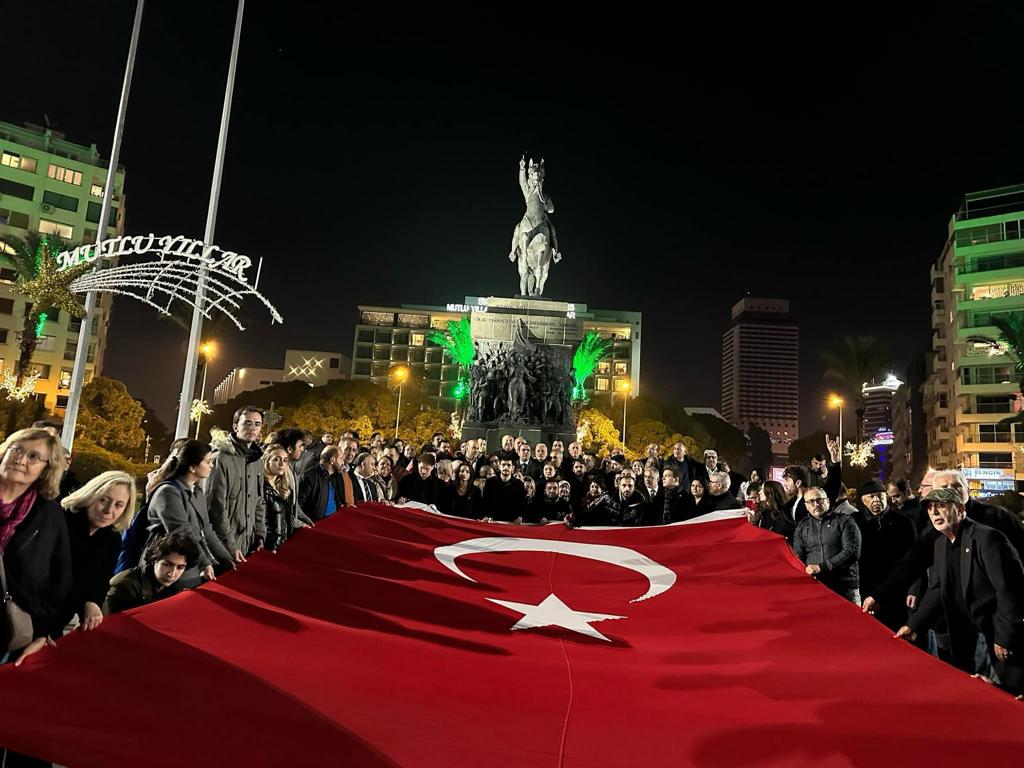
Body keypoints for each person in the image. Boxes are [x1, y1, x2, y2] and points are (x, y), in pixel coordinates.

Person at [897, 487, 1024, 696]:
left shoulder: (989, 539)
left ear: (961, 509)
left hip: (996, 638)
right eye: (930, 508)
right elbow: (937, 590)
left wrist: (1005, 638)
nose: (934, 512)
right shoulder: (940, 544)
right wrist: (913, 625)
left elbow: (1011, 592)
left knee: (1006, 698)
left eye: (941, 506)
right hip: (966, 637)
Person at [0, 428, 70, 666]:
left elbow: (59, 579)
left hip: (5, 626)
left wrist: (42, 630)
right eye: (16, 449)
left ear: (46, 470)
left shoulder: (49, 515)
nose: (20, 459)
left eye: (33, 457)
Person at [57, 471, 136, 634]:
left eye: (118, 505)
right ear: (90, 495)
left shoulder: (112, 538)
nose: (109, 510)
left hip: (60, 618)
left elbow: (101, 580)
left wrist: (92, 601)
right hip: (26, 613)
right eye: (103, 500)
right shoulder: (59, 521)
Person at [148, 440, 235, 588]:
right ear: (193, 467)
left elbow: (207, 529)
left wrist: (228, 558)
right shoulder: (168, 492)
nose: (211, 466)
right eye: (208, 462)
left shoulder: (196, 491)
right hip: (169, 565)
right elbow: (182, 533)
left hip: (189, 560)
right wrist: (204, 563)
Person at [854, 479, 916, 630]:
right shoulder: (854, 522)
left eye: (880, 496)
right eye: (872, 496)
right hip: (865, 586)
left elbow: (912, 558)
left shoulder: (903, 521)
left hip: (896, 587)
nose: (877, 500)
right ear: (863, 500)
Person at [207, 406, 267, 559]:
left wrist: (260, 535)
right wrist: (229, 545)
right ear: (235, 427)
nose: (252, 428)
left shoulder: (257, 461)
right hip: (222, 546)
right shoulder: (220, 458)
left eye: (257, 424)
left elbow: (259, 502)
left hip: (248, 542)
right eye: (247, 423)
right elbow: (217, 507)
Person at [793, 487, 862, 604]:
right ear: (806, 506)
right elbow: (797, 556)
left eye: (819, 499)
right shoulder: (802, 526)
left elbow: (852, 551)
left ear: (828, 501)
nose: (816, 504)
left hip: (845, 587)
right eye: (811, 501)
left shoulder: (845, 521)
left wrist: (822, 567)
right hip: (815, 587)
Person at [104, 531, 199, 615]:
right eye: (166, 564)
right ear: (154, 559)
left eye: (180, 567)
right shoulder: (124, 586)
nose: (172, 574)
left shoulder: (176, 587)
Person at [263, 444, 313, 552]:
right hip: (267, 547)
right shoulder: (261, 485)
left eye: (285, 460)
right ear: (267, 461)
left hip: (284, 544)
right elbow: (262, 520)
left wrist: (301, 525)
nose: (282, 464)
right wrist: (271, 545)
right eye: (276, 459)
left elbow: (286, 516)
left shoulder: (284, 487)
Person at [570, 472, 645, 527]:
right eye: (624, 485)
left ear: (634, 487)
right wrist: (574, 517)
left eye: (630, 486)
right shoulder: (606, 498)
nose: (627, 488)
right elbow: (591, 513)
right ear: (619, 486)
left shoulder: (641, 503)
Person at [299, 445, 351, 520]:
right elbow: (298, 506)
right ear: (332, 460)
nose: (343, 462)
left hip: (332, 523)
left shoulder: (334, 477)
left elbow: (333, 499)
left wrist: (341, 506)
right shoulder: (310, 477)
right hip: (316, 527)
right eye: (341, 459)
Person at [483, 456, 528, 523]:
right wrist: (485, 516)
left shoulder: (520, 484)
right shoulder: (490, 482)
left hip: (512, 523)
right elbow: (485, 501)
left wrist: (520, 517)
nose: (506, 467)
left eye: (508, 465)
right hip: (492, 521)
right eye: (503, 465)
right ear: (499, 467)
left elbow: (523, 504)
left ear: (512, 468)